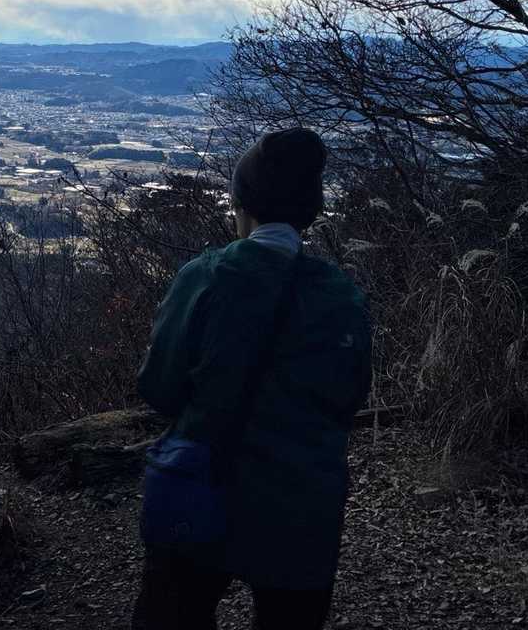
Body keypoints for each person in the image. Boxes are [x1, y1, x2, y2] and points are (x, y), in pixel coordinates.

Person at [132, 129, 372, 630]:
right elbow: (349, 396)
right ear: (310, 212)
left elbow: (159, 386)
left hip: (204, 486)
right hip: (305, 500)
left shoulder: (208, 276)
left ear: (242, 207)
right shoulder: (341, 294)